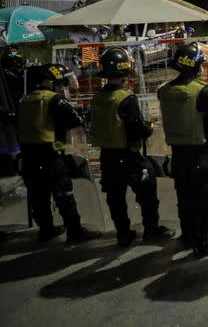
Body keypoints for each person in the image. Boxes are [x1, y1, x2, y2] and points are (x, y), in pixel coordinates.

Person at [90, 48, 174, 246]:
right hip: (129, 156)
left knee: (115, 198)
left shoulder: (97, 98)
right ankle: (151, 230)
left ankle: (123, 233)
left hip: (107, 156)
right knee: (147, 193)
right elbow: (136, 127)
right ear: (125, 71)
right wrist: (149, 127)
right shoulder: (126, 98)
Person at [158, 42, 208, 257]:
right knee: (200, 201)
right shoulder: (202, 92)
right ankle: (202, 243)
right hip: (199, 154)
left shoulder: (164, 91)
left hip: (177, 155)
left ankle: (188, 235)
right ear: (195, 66)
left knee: (184, 197)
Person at [17, 64, 101, 243]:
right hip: (51, 157)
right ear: (52, 81)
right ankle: (75, 231)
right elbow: (75, 122)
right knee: (64, 196)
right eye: (61, 83)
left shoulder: (24, 100)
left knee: (39, 198)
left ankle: (46, 230)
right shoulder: (55, 100)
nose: (62, 87)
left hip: (28, 158)